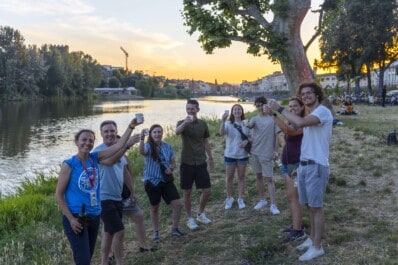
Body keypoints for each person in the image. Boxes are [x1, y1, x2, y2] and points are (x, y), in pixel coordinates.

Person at [55, 118, 140, 265]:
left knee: (87, 256)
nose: (87, 143)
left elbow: (119, 145)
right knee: (83, 260)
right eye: (84, 140)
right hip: (77, 217)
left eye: (90, 141)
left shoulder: (95, 158)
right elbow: (58, 195)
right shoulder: (69, 164)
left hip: (94, 215)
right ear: (77, 141)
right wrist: (71, 219)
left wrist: (131, 126)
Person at [269, 82, 333, 261]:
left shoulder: (322, 112)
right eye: (302, 94)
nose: (305, 96)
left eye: (309, 93)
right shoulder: (309, 113)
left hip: (316, 165)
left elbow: (302, 123)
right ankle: (312, 239)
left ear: (317, 95)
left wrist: (280, 108)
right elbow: (290, 128)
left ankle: (317, 247)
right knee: (310, 207)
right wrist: (272, 114)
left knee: (316, 207)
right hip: (304, 165)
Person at [93, 121, 148, 265]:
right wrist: (127, 145)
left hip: (117, 198)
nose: (110, 134)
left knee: (108, 232)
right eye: (106, 131)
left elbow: (125, 173)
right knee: (119, 231)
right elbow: (111, 161)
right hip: (103, 198)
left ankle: (104, 262)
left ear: (116, 131)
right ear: (101, 134)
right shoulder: (97, 152)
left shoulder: (121, 153)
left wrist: (132, 192)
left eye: (112, 130)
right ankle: (119, 262)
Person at [139, 124, 186, 241]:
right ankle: (156, 232)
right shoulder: (148, 146)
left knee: (177, 204)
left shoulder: (167, 146)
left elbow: (173, 162)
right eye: (154, 132)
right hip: (152, 182)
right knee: (155, 208)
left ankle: (175, 229)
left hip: (166, 180)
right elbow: (142, 152)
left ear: (162, 133)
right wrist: (141, 139)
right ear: (151, 134)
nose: (157, 134)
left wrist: (171, 168)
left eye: (159, 132)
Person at [176, 99, 214, 230]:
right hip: (187, 162)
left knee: (207, 190)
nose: (190, 111)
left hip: (200, 161)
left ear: (198, 109)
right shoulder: (182, 123)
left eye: (192, 109)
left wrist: (210, 157)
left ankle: (200, 213)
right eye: (188, 109)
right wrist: (185, 124)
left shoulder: (203, 124)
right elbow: (176, 132)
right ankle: (189, 218)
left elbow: (205, 141)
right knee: (187, 192)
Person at [273, 98, 306, 243]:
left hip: (297, 163)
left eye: (295, 106)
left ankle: (298, 230)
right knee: (291, 197)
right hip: (287, 163)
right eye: (290, 106)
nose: (292, 108)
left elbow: (288, 131)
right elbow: (284, 135)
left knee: (296, 197)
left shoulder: (304, 122)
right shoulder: (290, 121)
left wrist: (274, 114)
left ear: (302, 107)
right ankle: (296, 225)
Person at [246, 96, 281, 215]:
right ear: (255, 106)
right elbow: (250, 126)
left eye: (262, 105)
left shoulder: (273, 118)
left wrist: (275, 151)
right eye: (258, 105)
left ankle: (273, 204)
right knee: (258, 177)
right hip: (254, 152)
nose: (260, 107)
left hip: (267, 153)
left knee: (269, 179)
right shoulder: (255, 118)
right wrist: (247, 124)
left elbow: (277, 136)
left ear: (266, 105)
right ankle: (262, 200)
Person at [219, 104, 250, 210]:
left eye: (239, 109)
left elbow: (252, 136)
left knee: (241, 177)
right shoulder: (228, 123)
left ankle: (240, 198)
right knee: (229, 178)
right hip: (230, 154)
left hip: (242, 155)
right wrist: (222, 120)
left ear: (242, 111)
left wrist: (247, 141)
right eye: (235, 110)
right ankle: (229, 198)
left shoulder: (246, 123)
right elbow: (222, 133)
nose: (237, 111)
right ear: (232, 112)